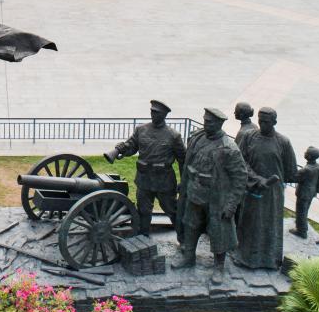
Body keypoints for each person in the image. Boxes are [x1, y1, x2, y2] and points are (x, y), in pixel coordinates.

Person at [172, 107, 248, 283]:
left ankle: (219, 267)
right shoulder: (198, 139)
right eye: (205, 120)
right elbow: (188, 163)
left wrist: (231, 205)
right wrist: (184, 183)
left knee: (218, 232)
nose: (205, 124)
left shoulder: (229, 148)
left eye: (210, 122)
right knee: (190, 225)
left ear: (219, 124)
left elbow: (240, 177)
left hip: (216, 199)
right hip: (194, 193)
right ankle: (189, 257)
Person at [104, 100, 185, 235]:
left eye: (156, 113)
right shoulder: (141, 130)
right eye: (152, 111)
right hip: (144, 179)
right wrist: (122, 150)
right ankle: (143, 237)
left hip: (163, 181)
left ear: (164, 115)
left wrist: (183, 181)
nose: (153, 114)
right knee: (143, 210)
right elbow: (131, 147)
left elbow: (183, 160)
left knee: (172, 210)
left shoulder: (173, 136)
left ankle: (183, 239)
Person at [233, 107, 297, 270]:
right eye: (260, 121)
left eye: (266, 122)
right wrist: (256, 179)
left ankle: (270, 260)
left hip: (272, 194)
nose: (262, 124)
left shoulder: (283, 142)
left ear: (274, 122)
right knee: (248, 222)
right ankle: (245, 257)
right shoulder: (249, 137)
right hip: (252, 189)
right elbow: (240, 161)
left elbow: (290, 171)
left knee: (270, 224)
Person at [290, 146, 319, 239]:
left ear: (309, 157)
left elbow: (294, 177)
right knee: (305, 210)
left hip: (303, 194)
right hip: (311, 193)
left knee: (301, 211)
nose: (304, 153)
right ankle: (300, 223)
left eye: (306, 152)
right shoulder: (318, 166)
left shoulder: (306, 170)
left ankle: (301, 231)